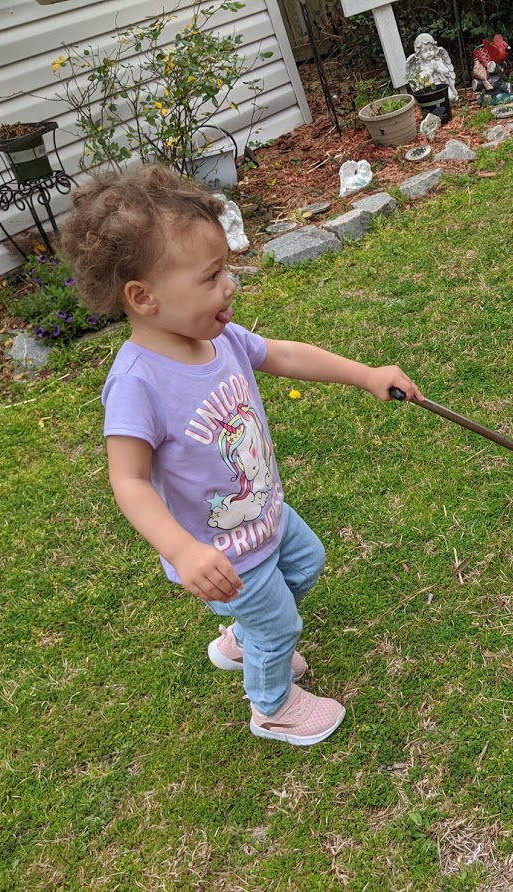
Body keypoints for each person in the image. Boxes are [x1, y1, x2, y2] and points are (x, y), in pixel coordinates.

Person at [59, 165, 421, 747]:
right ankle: (272, 707)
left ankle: (244, 636)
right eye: (211, 277)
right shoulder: (137, 383)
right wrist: (182, 550)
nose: (229, 286)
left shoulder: (219, 338)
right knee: (280, 626)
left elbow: (283, 356)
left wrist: (366, 374)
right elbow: (128, 480)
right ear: (144, 298)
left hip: (265, 513)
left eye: (225, 269)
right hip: (220, 548)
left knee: (306, 563)